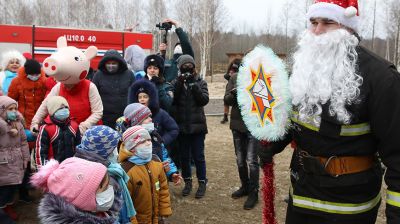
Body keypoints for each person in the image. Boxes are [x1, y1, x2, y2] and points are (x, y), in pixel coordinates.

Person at [258, 0, 400, 223]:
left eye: (328, 22)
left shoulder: (381, 77)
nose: (317, 30)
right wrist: (275, 141)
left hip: (350, 208)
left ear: (349, 27)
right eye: (313, 22)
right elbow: (297, 121)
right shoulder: (302, 70)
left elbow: (398, 156)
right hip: (302, 197)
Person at [74, 125, 136, 223]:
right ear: (103, 153)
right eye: (113, 150)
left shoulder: (113, 170)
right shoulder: (99, 180)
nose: (117, 154)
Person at [30, 157, 122, 223]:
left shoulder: (101, 211)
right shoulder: (99, 211)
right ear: (82, 201)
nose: (111, 190)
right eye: (104, 187)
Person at [223, 58, 260, 210]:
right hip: (237, 125)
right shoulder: (234, 78)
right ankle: (245, 186)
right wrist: (236, 94)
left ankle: (254, 192)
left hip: (254, 125)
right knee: (240, 160)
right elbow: (227, 99)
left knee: (252, 161)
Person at [116, 103, 181, 185]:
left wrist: (171, 173)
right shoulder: (129, 143)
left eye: (150, 116)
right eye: (146, 117)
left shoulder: (154, 135)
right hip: (141, 183)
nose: (151, 119)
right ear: (136, 123)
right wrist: (156, 167)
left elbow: (164, 155)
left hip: (159, 179)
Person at [172, 55, 209, 198]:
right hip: (182, 127)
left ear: (194, 67)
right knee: (184, 157)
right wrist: (180, 84)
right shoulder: (176, 82)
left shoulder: (201, 82)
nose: (187, 68)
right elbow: (172, 101)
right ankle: (187, 182)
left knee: (199, 156)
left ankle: (202, 182)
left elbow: (204, 100)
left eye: (190, 65)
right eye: (184, 65)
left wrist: (194, 86)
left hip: (197, 127)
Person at [119, 125, 172, 224]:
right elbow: (125, 203)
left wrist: (164, 209)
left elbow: (163, 187)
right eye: (142, 142)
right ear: (132, 148)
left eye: (149, 140)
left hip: (156, 217)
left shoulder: (156, 161)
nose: (148, 143)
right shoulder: (126, 170)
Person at [0, 96, 29, 222]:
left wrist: (26, 158)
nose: (14, 112)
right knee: (4, 187)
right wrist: (6, 128)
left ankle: (9, 205)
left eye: (15, 109)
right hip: (3, 163)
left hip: (17, 161)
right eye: (10, 109)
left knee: (13, 186)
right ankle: (3, 207)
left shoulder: (18, 124)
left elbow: (23, 142)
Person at [128, 79, 179, 148]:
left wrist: (162, 142)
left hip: (157, 151)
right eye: (140, 97)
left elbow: (174, 129)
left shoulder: (160, 113)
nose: (142, 99)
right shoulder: (132, 115)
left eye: (145, 97)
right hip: (138, 151)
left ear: (151, 99)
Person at [33, 96, 80, 169]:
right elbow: (40, 152)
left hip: (72, 167)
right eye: (61, 108)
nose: (64, 110)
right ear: (52, 111)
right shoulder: (45, 128)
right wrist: (42, 171)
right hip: (53, 170)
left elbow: (79, 148)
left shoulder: (74, 126)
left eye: (66, 107)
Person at [93, 49, 135, 128]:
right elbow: (94, 96)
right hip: (105, 118)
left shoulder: (129, 74)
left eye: (114, 63)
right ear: (104, 64)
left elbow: (134, 93)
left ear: (119, 63)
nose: (111, 66)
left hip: (125, 116)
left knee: (123, 140)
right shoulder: (98, 75)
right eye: (108, 63)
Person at [8, 59, 47, 143]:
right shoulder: (16, 82)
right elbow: (10, 102)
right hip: (23, 120)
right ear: (26, 74)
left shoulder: (44, 82)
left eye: (37, 74)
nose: (34, 76)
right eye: (32, 74)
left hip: (41, 120)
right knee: (25, 144)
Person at [158, 18, 194, 83]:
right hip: (169, 91)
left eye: (180, 45)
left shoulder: (188, 61)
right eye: (177, 46)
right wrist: (162, 53)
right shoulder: (167, 63)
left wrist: (177, 25)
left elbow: (185, 42)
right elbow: (157, 67)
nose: (178, 47)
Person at [221, 59, 241, 124]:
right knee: (226, 100)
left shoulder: (241, 68)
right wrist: (230, 76)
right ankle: (225, 116)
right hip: (230, 85)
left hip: (237, 85)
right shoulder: (231, 67)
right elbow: (226, 75)